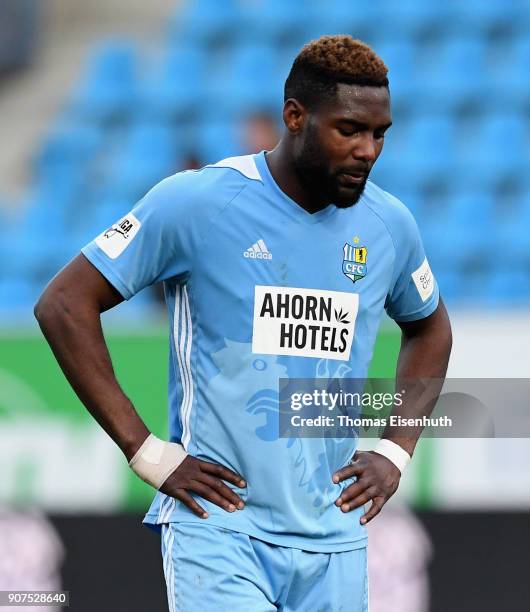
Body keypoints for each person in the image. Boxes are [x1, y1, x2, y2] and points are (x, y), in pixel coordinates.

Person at [34, 35, 452, 612]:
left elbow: (431, 329)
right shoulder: (199, 203)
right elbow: (63, 304)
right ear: (295, 117)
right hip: (221, 529)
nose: (367, 150)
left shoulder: (389, 225)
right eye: (349, 129)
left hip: (335, 538)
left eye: (379, 133)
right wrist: (146, 451)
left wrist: (396, 450)